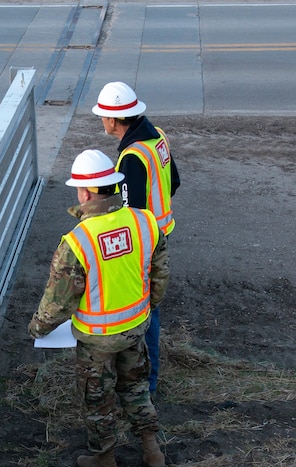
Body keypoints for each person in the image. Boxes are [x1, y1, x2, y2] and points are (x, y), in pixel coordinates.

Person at [28, 150, 169, 467]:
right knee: (136, 390)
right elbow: (159, 276)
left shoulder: (78, 241)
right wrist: (146, 308)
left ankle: (105, 461)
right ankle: (151, 450)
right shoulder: (144, 222)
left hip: (97, 342)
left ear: (86, 193)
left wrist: (37, 328)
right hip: (135, 329)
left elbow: (57, 302)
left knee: (98, 399)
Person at [92, 81, 179, 396]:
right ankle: (148, 380)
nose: (102, 120)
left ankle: (148, 383)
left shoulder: (131, 156)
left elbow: (132, 212)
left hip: (147, 243)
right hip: (161, 233)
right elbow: (174, 182)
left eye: (103, 115)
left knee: (146, 310)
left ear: (114, 121)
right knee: (151, 306)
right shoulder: (157, 137)